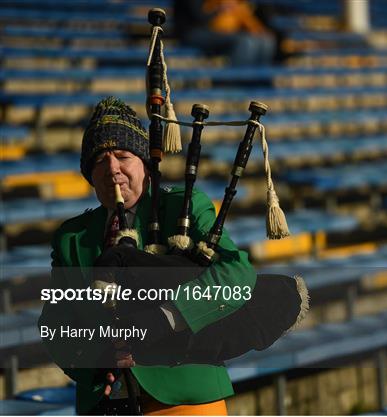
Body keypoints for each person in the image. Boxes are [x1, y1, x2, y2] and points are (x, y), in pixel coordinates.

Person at [38, 97, 261, 415]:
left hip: (184, 397)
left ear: (145, 165)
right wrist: (95, 360)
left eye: (122, 156)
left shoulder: (182, 207)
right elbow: (55, 323)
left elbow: (236, 274)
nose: (111, 168)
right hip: (106, 402)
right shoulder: (72, 237)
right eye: (99, 160)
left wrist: (168, 317)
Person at [173, 0, 277, 67]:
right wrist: (221, 9)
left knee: (266, 41)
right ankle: (235, 84)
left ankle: (259, 83)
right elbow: (200, 17)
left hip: (218, 31)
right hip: (194, 31)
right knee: (246, 41)